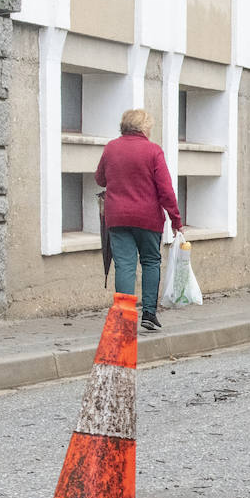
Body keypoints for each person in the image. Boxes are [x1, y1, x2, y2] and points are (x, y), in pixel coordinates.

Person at [95, 109, 181, 332]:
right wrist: (176, 220)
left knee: (124, 265)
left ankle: (124, 318)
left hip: (117, 218)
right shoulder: (153, 151)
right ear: (144, 127)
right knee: (151, 261)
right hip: (148, 218)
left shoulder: (111, 148)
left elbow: (100, 179)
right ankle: (149, 314)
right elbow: (165, 190)